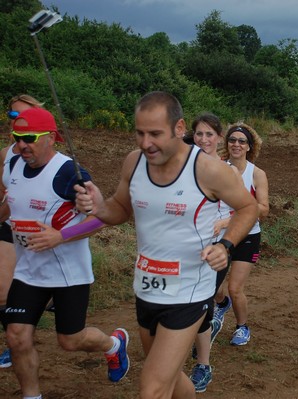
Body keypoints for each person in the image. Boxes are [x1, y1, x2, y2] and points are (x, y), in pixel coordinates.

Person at [74, 91, 258, 398]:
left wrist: (225, 245)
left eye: (155, 134)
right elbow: (120, 207)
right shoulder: (134, 162)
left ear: (179, 128)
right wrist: (98, 206)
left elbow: (249, 207)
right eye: (140, 133)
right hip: (146, 288)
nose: (146, 143)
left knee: (152, 387)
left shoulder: (207, 169)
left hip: (189, 291)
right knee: (167, 378)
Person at [4, 107, 129, 399]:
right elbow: (13, 203)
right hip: (28, 270)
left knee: (70, 340)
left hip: (67, 272)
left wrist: (60, 236)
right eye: (17, 137)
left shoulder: (67, 173)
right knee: (16, 336)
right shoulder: (13, 166)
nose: (22, 145)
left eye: (29, 138)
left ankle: (113, 344)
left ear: (51, 138)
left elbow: (100, 218)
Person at [186, 112, 234, 392]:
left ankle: (203, 365)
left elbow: (244, 210)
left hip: (217, 250)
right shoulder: (183, 166)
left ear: (219, 138)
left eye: (209, 134)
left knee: (200, 307)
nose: (203, 139)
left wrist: (223, 223)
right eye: (199, 134)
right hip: (186, 250)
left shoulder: (226, 170)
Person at [214, 122, 269, 347]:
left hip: (247, 235)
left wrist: (229, 220)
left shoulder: (256, 174)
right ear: (227, 143)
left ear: (249, 146)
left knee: (236, 288)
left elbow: (263, 209)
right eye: (233, 140)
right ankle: (222, 303)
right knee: (213, 288)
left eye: (242, 141)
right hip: (217, 237)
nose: (236, 144)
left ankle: (241, 326)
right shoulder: (216, 168)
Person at [1, 95, 45, 369]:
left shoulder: (56, 159)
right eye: (13, 116)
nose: (18, 121)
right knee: (3, 291)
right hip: (11, 228)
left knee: (71, 337)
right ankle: (15, 342)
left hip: (43, 233)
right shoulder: (5, 155)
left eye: (24, 116)